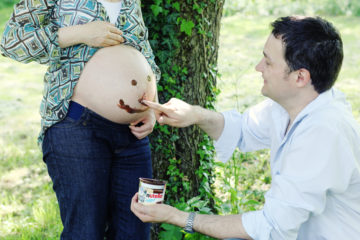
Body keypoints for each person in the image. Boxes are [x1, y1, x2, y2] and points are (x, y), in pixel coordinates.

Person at [130, 16, 360, 239]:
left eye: (268, 62)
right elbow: (241, 130)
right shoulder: (290, 105)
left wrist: (178, 217)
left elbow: (271, 229)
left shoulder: (323, 134)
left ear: (300, 77)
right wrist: (194, 114)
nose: (258, 67)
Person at [1, 0, 160, 239]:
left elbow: (144, 49)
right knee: (84, 231)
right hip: (77, 126)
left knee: (140, 225)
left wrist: (152, 109)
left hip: (134, 135)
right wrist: (79, 34)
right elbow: (11, 42)